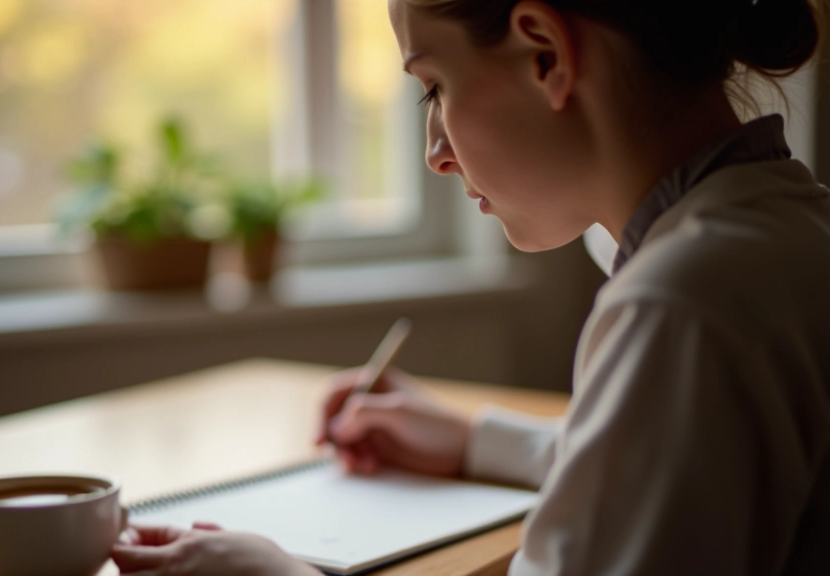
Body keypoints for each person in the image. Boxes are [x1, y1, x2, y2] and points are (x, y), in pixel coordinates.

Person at [111, 0, 830, 574]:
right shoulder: (784, 237)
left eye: (434, 86)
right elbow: (687, 468)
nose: (434, 154)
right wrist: (471, 440)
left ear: (544, 52)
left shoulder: (679, 303)